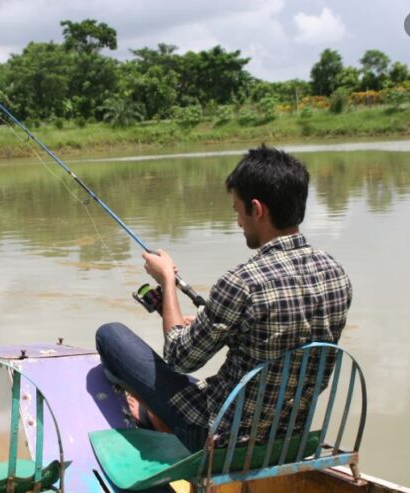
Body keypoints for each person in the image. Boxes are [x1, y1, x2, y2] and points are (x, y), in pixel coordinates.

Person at [96, 144, 352, 452]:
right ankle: (155, 416)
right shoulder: (336, 272)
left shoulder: (243, 281)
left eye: (237, 211)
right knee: (206, 379)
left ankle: (149, 414)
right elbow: (284, 341)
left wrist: (166, 280)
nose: (238, 222)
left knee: (110, 334)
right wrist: (216, 327)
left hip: (222, 438)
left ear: (256, 209)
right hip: (289, 437)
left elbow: (180, 358)